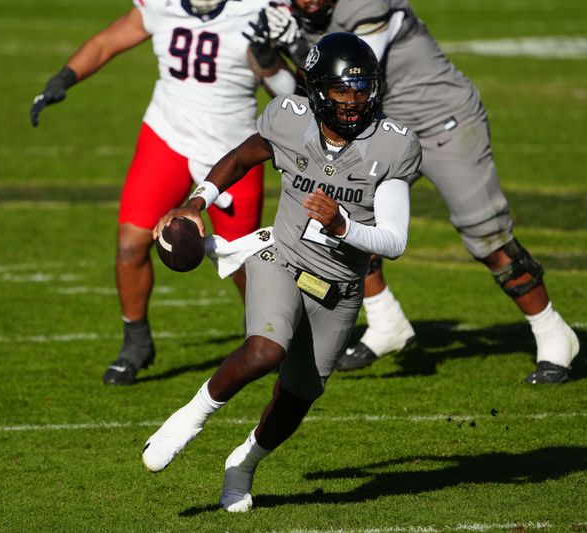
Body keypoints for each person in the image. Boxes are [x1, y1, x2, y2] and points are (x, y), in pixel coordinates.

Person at [140, 32, 422, 512]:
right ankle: (187, 419)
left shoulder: (391, 147)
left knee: (297, 398)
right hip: (281, 257)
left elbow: (394, 241)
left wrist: (343, 224)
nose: (354, 102)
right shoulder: (291, 121)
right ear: (317, 90)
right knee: (266, 349)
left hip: (339, 288)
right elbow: (241, 157)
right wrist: (194, 203)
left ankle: (243, 465)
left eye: (362, 89)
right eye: (341, 91)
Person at [244, 0, 580, 383]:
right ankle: (387, 322)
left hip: (442, 125)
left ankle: (552, 333)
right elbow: (315, 103)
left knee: (485, 235)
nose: (309, 2)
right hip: (372, 134)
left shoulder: (363, 6)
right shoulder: (293, 18)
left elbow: (358, 72)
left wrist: (301, 48)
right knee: (343, 222)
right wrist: (268, 55)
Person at [29, 0, 296, 385]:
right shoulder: (162, 4)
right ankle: (136, 341)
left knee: (243, 258)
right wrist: (64, 78)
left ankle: (268, 335)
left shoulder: (259, 9)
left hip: (231, 148)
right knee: (130, 244)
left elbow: (287, 91)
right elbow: (108, 42)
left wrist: (269, 58)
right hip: (167, 135)